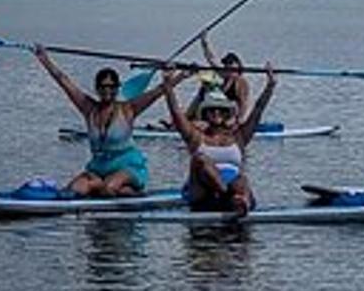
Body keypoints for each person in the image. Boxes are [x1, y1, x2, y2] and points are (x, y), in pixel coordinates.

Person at [33, 46, 166, 196]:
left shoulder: (128, 109)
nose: (106, 90)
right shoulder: (88, 108)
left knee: (109, 188)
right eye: (102, 87)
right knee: (74, 190)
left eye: (111, 86)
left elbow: (159, 91)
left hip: (128, 167)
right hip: (98, 169)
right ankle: (99, 186)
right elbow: (64, 81)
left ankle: (131, 192)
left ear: (117, 88)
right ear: (97, 89)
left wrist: (179, 76)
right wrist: (44, 60)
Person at [159, 62, 277, 214]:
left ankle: (241, 204)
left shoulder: (239, 137)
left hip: (233, 189)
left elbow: (258, 110)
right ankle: (225, 193)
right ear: (205, 113)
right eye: (212, 110)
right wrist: (167, 84)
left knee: (241, 179)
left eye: (220, 110)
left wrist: (270, 86)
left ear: (226, 113)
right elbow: (176, 113)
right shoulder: (196, 137)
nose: (216, 113)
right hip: (202, 192)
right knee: (200, 159)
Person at [182, 40, 251, 127]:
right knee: (204, 89)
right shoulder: (224, 75)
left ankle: (189, 121)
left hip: (232, 114)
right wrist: (205, 44)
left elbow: (244, 104)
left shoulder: (241, 82)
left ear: (237, 66)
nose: (228, 67)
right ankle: (186, 118)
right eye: (226, 64)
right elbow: (211, 60)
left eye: (230, 64)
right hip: (219, 111)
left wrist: (238, 120)